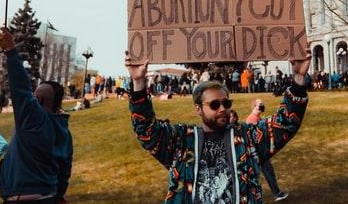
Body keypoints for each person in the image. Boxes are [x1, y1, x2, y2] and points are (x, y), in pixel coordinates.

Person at [125, 50, 310, 203]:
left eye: (226, 103)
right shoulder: (181, 140)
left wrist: (299, 78)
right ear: (198, 108)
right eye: (214, 105)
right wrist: (138, 83)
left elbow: (285, 123)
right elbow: (146, 130)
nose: (222, 109)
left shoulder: (247, 138)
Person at [0, 27, 73, 203]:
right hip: (49, 196)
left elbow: (20, 88)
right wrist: (58, 195)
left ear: (37, 100)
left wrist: (10, 51)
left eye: (34, 96)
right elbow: (65, 170)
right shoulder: (64, 132)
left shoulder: (33, 119)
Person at [245, 99, 289, 201]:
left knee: (264, 173)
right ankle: (277, 194)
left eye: (262, 104)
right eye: (260, 104)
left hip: (260, 152)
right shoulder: (252, 119)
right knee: (267, 172)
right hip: (258, 153)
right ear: (255, 106)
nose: (262, 105)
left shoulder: (257, 117)